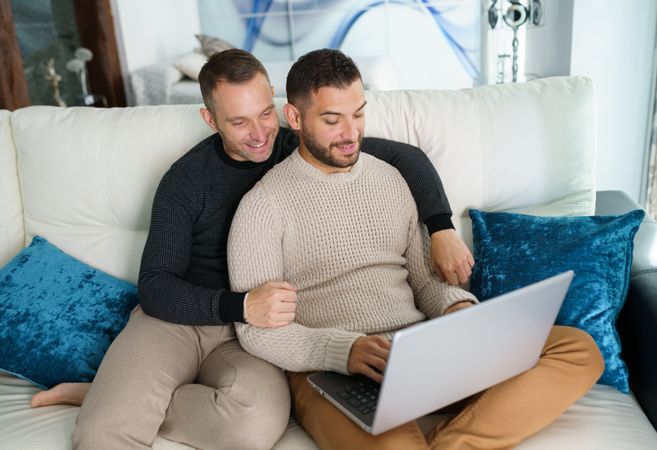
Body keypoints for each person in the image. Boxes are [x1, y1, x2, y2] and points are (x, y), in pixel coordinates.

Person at [30, 49, 474, 450]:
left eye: (265, 114)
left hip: (255, 333)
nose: (260, 134)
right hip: (183, 317)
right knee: (100, 434)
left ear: (283, 110)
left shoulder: (297, 143)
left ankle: (125, 397)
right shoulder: (184, 181)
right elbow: (155, 287)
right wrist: (241, 304)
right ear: (210, 119)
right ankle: (117, 400)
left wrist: (440, 228)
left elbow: (406, 158)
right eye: (239, 122)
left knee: (253, 425)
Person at [228, 48, 605, 450]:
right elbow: (256, 331)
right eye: (333, 120)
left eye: (358, 113)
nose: (351, 132)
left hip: (420, 349)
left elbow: (425, 281)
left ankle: (454, 444)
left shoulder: (391, 179)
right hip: (332, 369)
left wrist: (458, 310)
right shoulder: (262, 207)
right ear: (296, 119)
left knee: (578, 349)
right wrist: (342, 350)